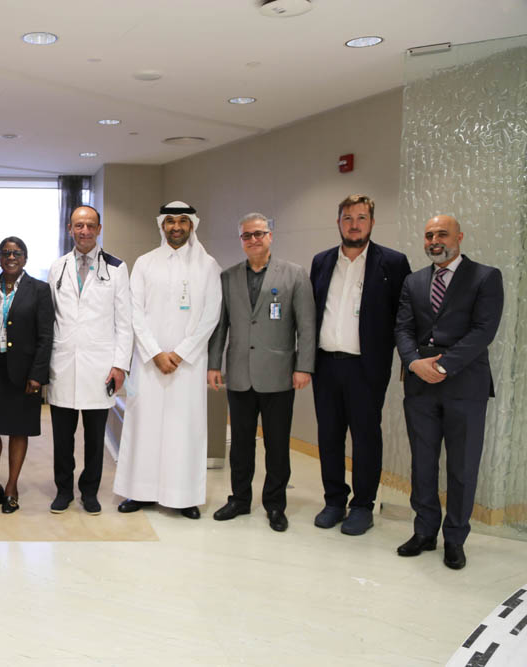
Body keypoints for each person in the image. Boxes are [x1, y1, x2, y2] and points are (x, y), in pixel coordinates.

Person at [395, 215, 503, 570]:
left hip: (465, 385)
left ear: (459, 237)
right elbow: (403, 329)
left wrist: (442, 366)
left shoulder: (485, 277)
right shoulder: (413, 281)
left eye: (442, 233)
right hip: (419, 386)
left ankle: (455, 539)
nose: (434, 240)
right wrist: (414, 363)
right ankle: (424, 531)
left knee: (462, 466)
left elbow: (484, 330)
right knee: (422, 464)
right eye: (429, 235)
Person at [309, 195, 411, 535]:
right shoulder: (322, 262)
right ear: (338, 222)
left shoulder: (393, 263)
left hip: (366, 368)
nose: (354, 224)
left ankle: (363, 505)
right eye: (348, 218)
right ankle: (334, 501)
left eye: (361, 217)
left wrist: (405, 360)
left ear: (372, 222)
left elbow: (404, 317)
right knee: (329, 436)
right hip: (326, 365)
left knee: (366, 438)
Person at [207, 213, 316, 531]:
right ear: (241, 240)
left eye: (259, 233)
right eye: (247, 235)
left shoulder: (294, 274)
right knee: (241, 444)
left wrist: (304, 366)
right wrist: (214, 364)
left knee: (277, 445)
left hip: (279, 375)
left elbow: (306, 326)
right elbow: (220, 325)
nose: (253, 239)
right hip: (239, 374)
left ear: (270, 235)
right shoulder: (228, 277)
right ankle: (239, 499)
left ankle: (275, 505)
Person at [113, 202, 221, 519]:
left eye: (183, 221)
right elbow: (134, 312)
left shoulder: (208, 266)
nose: (176, 226)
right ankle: (139, 492)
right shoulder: (145, 263)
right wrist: (156, 352)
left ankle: (184, 497)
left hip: (188, 365)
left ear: (192, 225)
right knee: (143, 426)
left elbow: (211, 315)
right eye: (170, 221)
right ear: (162, 225)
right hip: (149, 363)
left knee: (184, 429)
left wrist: (181, 352)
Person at [47, 205, 132, 515]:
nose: (84, 231)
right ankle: (63, 490)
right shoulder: (58, 267)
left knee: (96, 439)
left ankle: (90, 491)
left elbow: (125, 322)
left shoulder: (117, 268)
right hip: (63, 364)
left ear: (99, 229)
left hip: (100, 367)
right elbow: (50, 318)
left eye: (90, 225)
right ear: (69, 228)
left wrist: (120, 365)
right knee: (62, 438)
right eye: (78, 225)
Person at [0, 237, 54, 514]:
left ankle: (11, 488)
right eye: (6, 253)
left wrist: (37, 374)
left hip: (24, 371)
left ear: (25, 258)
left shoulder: (39, 290)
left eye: (17, 253)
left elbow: (45, 336)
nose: (11, 257)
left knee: (19, 429)